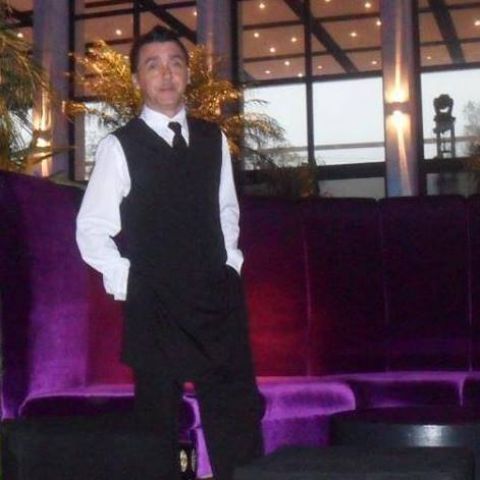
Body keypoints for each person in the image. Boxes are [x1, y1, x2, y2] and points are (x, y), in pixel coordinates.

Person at [76, 25, 264, 480]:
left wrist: (230, 264)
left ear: (187, 74)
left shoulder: (213, 139)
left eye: (175, 64)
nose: (166, 74)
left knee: (236, 419)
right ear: (138, 78)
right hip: (155, 303)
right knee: (156, 429)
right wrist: (130, 281)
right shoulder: (119, 145)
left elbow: (226, 209)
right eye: (153, 65)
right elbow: (91, 229)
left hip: (216, 298)